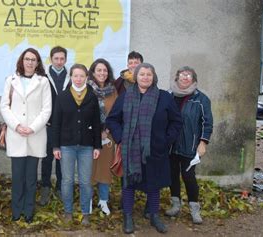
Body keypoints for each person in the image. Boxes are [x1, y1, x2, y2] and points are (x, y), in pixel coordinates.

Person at [106, 63, 182, 234]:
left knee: (154, 184)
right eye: (142, 74)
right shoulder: (126, 97)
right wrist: (120, 139)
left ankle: (154, 216)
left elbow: (177, 121)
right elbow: (112, 120)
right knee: (129, 184)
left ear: (153, 77)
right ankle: (128, 216)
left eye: (149, 74)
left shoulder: (164, 97)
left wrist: (166, 140)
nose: (145, 77)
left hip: (155, 150)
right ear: (136, 77)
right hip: (130, 150)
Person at [0, 48, 52, 223]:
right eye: (27, 59)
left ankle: (29, 211)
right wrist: (16, 126)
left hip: (35, 135)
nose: (30, 62)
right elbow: (4, 107)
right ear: (22, 61)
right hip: (16, 135)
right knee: (17, 177)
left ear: (38, 63)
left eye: (34, 59)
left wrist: (32, 128)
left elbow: (47, 110)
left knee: (31, 178)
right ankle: (16, 211)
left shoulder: (43, 82)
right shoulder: (11, 80)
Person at [52, 64, 101, 226]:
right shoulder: (63, 96)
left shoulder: (92, 97)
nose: (78, 79)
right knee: (67, 180)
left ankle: (85, 212)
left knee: (85, 181)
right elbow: (56, 123)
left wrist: (97, 146)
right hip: (66, 145)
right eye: (75, 76)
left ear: (87, 77)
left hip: (87, 146)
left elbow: (96, 122)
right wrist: (56, 146)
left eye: (82, 76)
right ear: (71, 77)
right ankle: (68, 212)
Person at [165, 66, 213, 224]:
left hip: (190, 146)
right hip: (171, 145)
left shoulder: (201, 99)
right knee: (172, 175)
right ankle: (175, 205)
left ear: (193, 79)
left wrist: (203, 142)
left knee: (188, 177)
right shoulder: (169, 95)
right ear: (177, 77)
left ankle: (194, 209)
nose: (185, 78)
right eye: (182, 75)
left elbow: (207, 123)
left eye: (189, 76)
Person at [39, 46, 69, 206]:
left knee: (61, 158)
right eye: (56, 58)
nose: (59, 61)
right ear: (51, 59)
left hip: (65, 126)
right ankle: (45, 186)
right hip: (48, 125)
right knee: (46, 158)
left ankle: (59, 188)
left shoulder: (71, 77)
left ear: (65, 60)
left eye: (62, 59)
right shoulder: (42, 76)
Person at [88, 59, 118, 215]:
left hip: (108, 136)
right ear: (93, 72)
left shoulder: (113, 91)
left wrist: (106, 130)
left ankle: (103, 200)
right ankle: (88, 201)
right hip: (89, 137)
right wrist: (96, 131)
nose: (102, 73)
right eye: (98, 70)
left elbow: (117, 113)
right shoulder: (86, 89)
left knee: (105, 168)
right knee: (89, 168)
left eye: (105, 70)